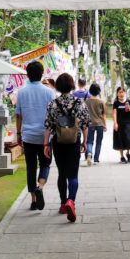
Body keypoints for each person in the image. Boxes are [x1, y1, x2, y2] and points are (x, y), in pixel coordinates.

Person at [43, 72, 90, 222]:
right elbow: (85, 124)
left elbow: (48, 126)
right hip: (74, 141)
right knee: (73, 175)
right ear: (71, 85)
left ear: (58, 86)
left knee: (62, 174)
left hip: (58, 142)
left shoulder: (53, 104)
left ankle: (63, 204)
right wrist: (84, 142)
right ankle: (71, 201)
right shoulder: (80, 102)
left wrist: (46, 144)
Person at [14, 61, 55, 210]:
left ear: (28, 74)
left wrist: (18, 134)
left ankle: (33, 199)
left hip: (28, 136)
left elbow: (18, 116)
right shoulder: (49, 92)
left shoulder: (22, 92)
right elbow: (53, 115)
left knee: (31, 167)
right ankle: (40, 186)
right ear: (41, 74)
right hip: (45, 136)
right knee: (45, 164)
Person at [84, 83, 107, 166]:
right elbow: (104, 115)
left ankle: (89, 153)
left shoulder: (86, 102)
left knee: (89, 141)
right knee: (99, 142)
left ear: (90, 91)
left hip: (90, 124)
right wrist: (105, 125)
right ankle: (96, 159)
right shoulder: (101, 102)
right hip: (100, 124)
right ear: (99, 91)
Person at [112, 86, 130, 164]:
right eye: (119, 92)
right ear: (117, 93)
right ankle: (122, 156)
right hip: (119, 123)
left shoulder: (128, 101)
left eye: (122, 92)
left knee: (128, 138)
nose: (121, 94)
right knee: (120, 139)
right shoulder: (116, 102)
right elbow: (114, 113)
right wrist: (115, 123)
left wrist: (129, 109)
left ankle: (128, 153)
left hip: (128, 123)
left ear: (125, 93)